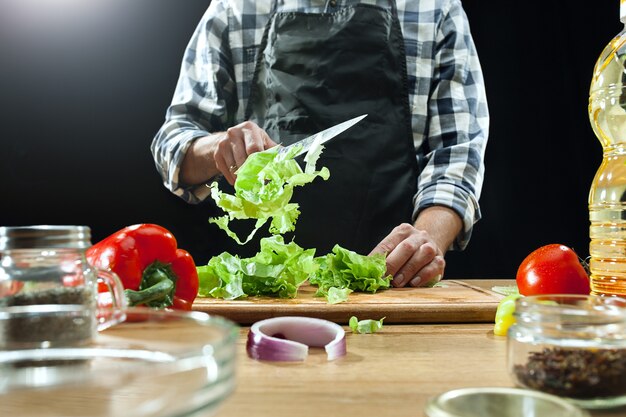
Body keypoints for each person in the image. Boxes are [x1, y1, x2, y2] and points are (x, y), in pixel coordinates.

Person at [151, 0, 489, 288]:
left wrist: (425, 239)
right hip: (258, 290)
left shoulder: (435, 9)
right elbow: (173, 145)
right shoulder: (237, 8)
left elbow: (456, 156)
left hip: (389, 287)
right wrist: (219, 148)